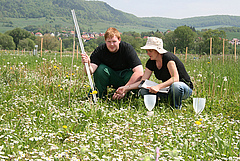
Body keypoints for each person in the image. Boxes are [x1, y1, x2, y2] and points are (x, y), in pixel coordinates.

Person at [116, 37, 193, 109]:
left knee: (175, 86)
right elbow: (142, 82)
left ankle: (176, 108)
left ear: (158, 51)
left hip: (183, 88)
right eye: (147, 51)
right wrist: (126, 88)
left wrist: (158, 87)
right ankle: (158, 104)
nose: (148, 53)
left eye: (150, 51)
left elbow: (175, 79)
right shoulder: (151, 62)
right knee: (144, 90)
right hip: (167, 89)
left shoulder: (168, 58)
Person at [81, 27, 143, 100]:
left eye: (114, 41)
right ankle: (100, 96)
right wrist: (87, 64)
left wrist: (125, 88)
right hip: (110, 78)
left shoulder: (127, 49)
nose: (112, 44)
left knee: (134, 75)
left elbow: (139, 72)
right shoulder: (100, 50)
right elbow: (90, 72)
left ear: (119, 40)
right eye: (109, 41)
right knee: (100, 70)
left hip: (125, 79)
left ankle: (129, 97)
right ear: (105, 41)